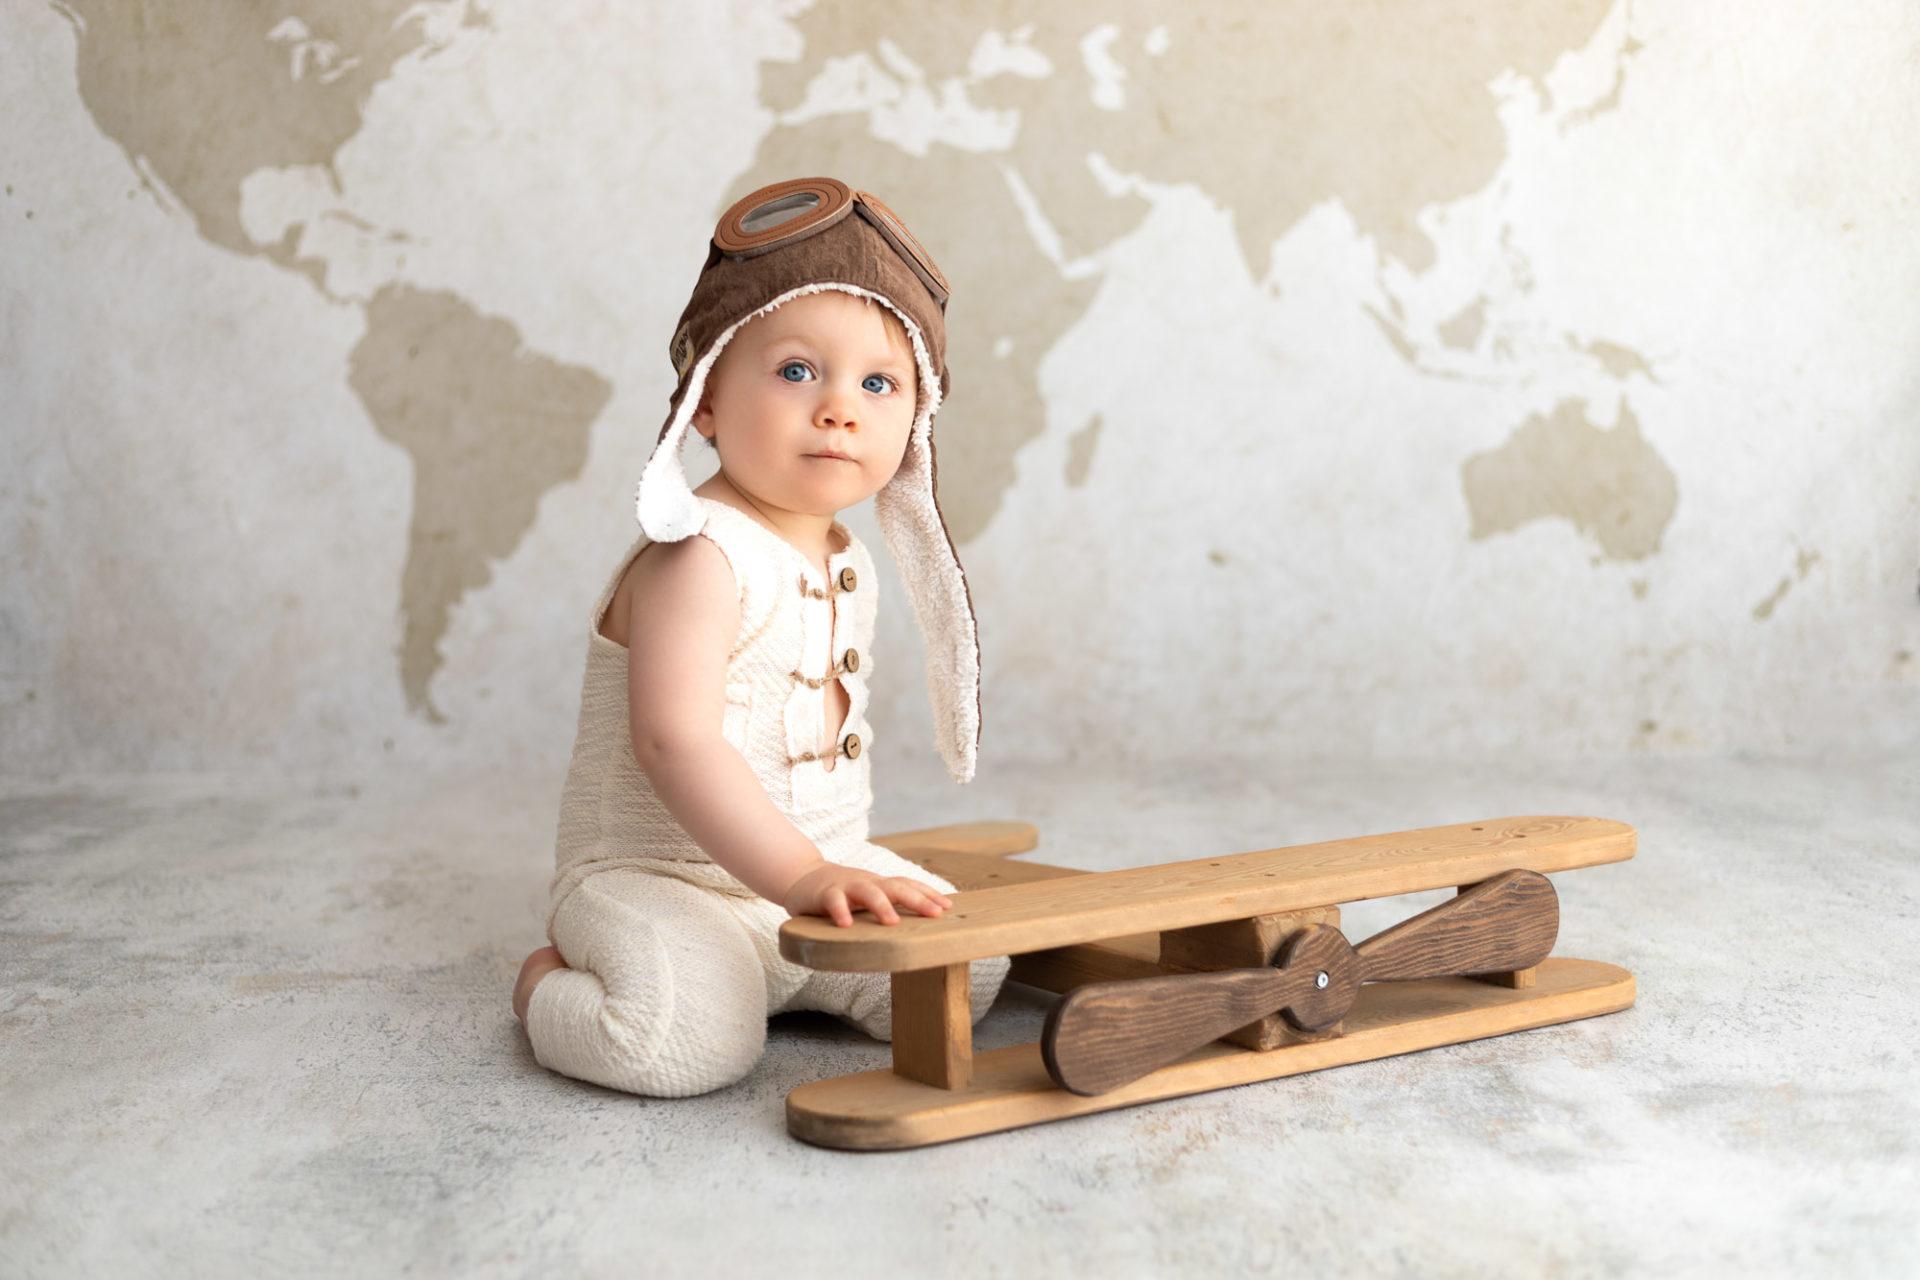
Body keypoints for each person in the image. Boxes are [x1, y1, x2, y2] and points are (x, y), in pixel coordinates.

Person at [511, 177, 1010, 1097]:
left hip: (811, 871)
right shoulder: (697, 554)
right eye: (794, 371)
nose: (838, 408)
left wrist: (828, 876)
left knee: (972, 969)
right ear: (704, 401)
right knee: (676, 1044)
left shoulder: (842, 554)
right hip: (664, 877)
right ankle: (546, 985)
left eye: (877, 382)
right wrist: (801, 875)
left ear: (914, 419)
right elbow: (676, 741)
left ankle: (781, 978)